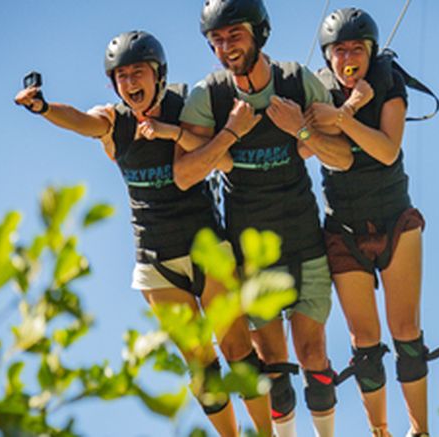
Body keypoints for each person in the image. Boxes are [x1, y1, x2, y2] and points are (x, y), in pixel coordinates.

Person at [14, 30, 272, 437]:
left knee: (238, 351)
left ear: (159, 74)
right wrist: (44, 107)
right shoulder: (114, 122)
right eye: (122, 76)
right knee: (200, 363)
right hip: (156, 260)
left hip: (207, 246)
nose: (131, 83)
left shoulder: (186, 105)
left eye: (139, 72)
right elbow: (82, 121)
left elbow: (221, 158)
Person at [175, 1, 353, 435]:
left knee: (313, 355)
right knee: (273, 366)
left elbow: (342, 157)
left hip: (303, 240)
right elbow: (184, 174)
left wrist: (301, 130)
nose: (225, 46)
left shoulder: (296, 80)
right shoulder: (210, 96)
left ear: (260, 33)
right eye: (216, 39)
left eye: (234, 35)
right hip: (250, 252)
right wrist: (229, 135)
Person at [306, 8, 439, 437]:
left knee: (406, 332)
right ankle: (380, 431)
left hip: (394, 218)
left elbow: (387, 150)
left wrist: (346, 117)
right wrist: (342, 110)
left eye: (357, 49)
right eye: (340, 50)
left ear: (371, 52)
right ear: (328, 55)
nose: (348, 58)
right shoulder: (317, 90)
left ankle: (419, 430)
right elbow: (326, 147)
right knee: (364, 343)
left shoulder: (388, 80)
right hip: (344, 227)